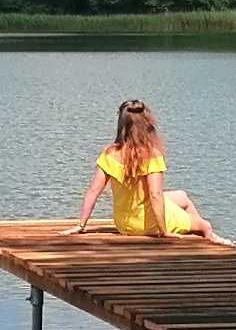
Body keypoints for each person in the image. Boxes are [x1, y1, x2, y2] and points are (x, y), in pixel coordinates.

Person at [74, 97, 220, 240]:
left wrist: (81, 225)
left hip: (123, 224)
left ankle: (198, 229)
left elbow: (93, 191)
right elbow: (155, 194)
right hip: (147, 225)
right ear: (147, 125)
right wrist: (164, 231)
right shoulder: (152, 155)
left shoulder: (109, 154)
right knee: (205, 225)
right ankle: (211, 238)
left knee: (182, 196)